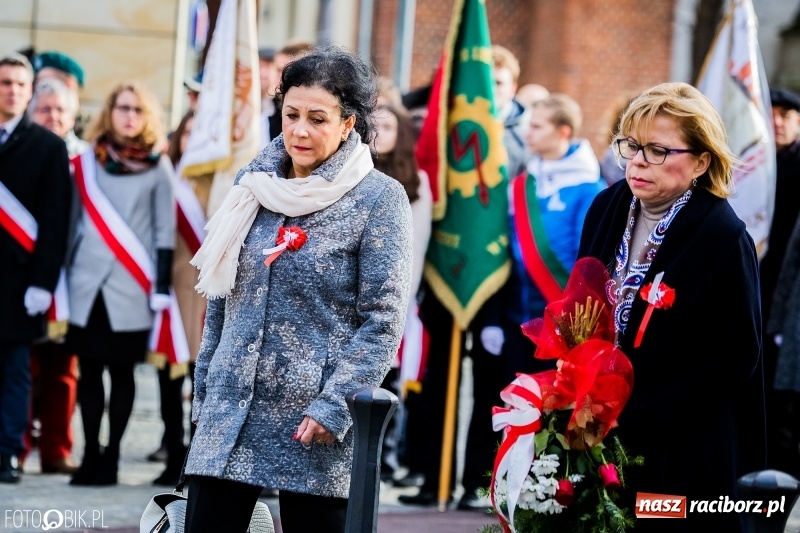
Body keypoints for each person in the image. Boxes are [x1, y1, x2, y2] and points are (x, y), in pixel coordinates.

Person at [183, 47, 413, 533]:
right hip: (231, 412)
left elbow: (384, 319)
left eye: (317, 118)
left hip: (312, 423)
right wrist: (204, 391)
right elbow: (223, 298)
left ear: (348, 123)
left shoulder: (380, 199)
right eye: (291, 115)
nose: (300, 131)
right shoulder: (253, 184)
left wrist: (336, 406)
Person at [577, 82, 765, 531]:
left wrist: (634, 411)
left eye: (658, 150)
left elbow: (735, 359)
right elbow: (578, 304)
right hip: (598, 431)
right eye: (631, 145)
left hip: (681, 447)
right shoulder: (608, 204)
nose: (638, 161)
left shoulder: (722, 236)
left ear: (701, 161)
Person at [66, 81, 175, 486]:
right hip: (85, 286)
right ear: (109, 112)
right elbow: (72, 222)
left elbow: (165, 231)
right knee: (89, 371)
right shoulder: (87, 161)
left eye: (137, 110)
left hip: (131, 286)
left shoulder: (157, 164)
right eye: (122, 108)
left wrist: (161, 287)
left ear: (147, 118)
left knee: (123, 373)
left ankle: (111, 458)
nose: (129, 116)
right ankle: (90, 452)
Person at [481, 93, 604, 383]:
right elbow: (506, 254)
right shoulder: (523, 184)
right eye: (529, 125)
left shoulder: (590, 187)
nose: (528, 133)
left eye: (538, 127)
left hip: (562, 325)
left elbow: (588, 261)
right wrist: (494, 319)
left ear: (563, 131)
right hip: (516, 321)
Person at [0, 52, 72, 484]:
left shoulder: (49, 146)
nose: (11, 90)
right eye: (4, 82)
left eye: (19, 84)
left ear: (29, 93)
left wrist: (43, 282)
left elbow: (54, 219)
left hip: (17, 280)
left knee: (14, 372)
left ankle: (8, 451)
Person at [20, 77, 89, 475]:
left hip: (73, 277)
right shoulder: (21, 150)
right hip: (26, 274)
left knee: (63, 369)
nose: (53, 116)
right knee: (23, 364)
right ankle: (18, 443)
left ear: (72, 116)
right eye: (44, 109)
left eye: (60, 110)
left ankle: (56, 449)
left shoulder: (87, 159)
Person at [145, 108, 209, 486]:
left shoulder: (223, 184)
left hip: (206, 295)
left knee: (200, 382)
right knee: (168, 379)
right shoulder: (168, 179)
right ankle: (171, 452)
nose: (193, 142)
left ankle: (195, 460)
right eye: (188, 134)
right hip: (171, 289)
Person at [371, 103, 432, 484]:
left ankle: (386, 457)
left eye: (388, 125)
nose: (380, 131)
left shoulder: (417, 182)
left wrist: (400, 297)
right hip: (353, 293)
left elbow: (417, 243)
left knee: (389, 378)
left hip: (397, 291)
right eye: (373, 124)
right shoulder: (352, 173)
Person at [761, 86, 800, 475]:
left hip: (784, 297)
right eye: (771, 113)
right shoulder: (750, 163)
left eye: (787, 115)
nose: (778, 121)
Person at [492, 45, 529, 179]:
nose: (490, 89)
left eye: (498, 83)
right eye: (486, 82)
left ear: (512, 89)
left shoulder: (528, 132)